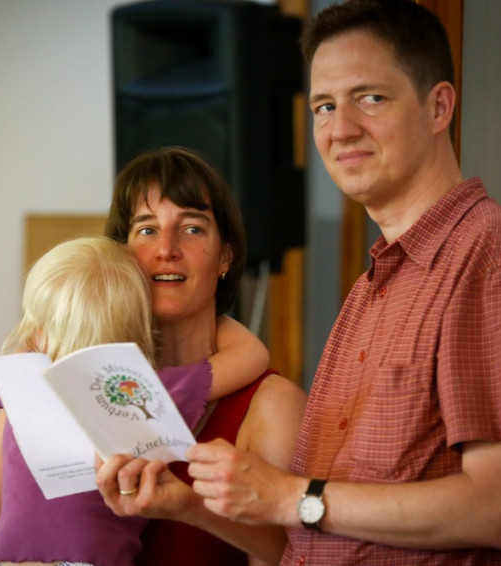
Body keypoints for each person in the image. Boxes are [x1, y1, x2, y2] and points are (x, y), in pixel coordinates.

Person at [96, 1, 501, 565]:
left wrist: (290, 497)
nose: (341, 128)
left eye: (370, 98)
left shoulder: (497, 258)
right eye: (325, 106)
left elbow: (499, 508)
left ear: (439, 106)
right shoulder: (376, 282)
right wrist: (192, 506)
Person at [0, 235, 275, 566]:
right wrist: (210, 311)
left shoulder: (22, 391)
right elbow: (252, 354)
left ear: (37, 332)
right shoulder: (142, 393)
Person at [100, 145, 308, 566]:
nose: (167, 248)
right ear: (121, 255)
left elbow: (296, 556)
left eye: (192, 228)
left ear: (225, 257)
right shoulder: (80, 381)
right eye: (147, 229)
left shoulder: (273, 404)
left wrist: (193, 508)